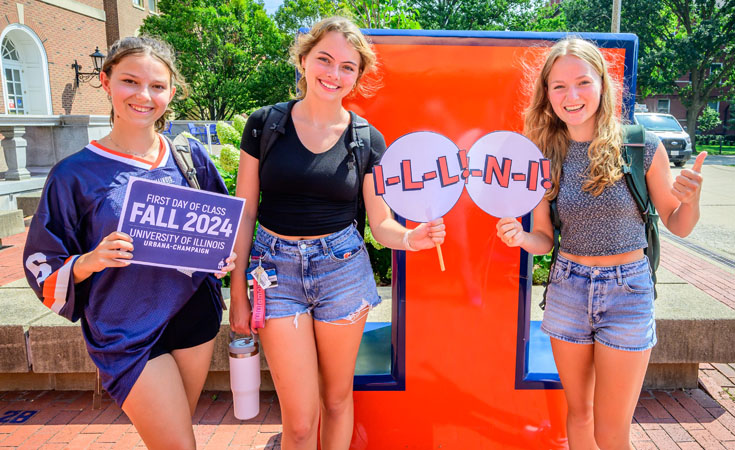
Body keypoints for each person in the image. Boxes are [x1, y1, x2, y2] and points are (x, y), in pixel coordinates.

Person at [229, 16, 446, 450]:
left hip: (342, 270)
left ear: (358, 76)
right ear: (304, 60)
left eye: (348, 66)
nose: (334, 73)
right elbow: (245, 211)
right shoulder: (265, 124)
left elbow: (379, 222)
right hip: (274, 273)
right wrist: (237, 294)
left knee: (336, 398)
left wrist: (409, 238)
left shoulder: (367, 139)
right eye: (325, 60)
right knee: (301, 421)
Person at [23, 36, 235, 449]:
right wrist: (89, 260)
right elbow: (41, 264)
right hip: (125, 331)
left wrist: (222, 256)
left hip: (194, 316)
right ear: (105, 81)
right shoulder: (74, 174)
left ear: (170, 93)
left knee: (173, 438)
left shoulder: (189, 158)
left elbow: (223, 230)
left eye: (157, 86)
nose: (144, 95)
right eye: (130, 81)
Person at [496, 37, 706, 449]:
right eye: (559, 86)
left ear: (602, 85)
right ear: (547, 93)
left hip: (627, 291)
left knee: (612, 432)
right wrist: (521, 237)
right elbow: (544, 237)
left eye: (582, 82)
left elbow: (678, 224)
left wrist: (691, 199)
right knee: (579, 414)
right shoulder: (545, 154)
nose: (571, 95)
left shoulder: (639, 144)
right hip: (568, 290)